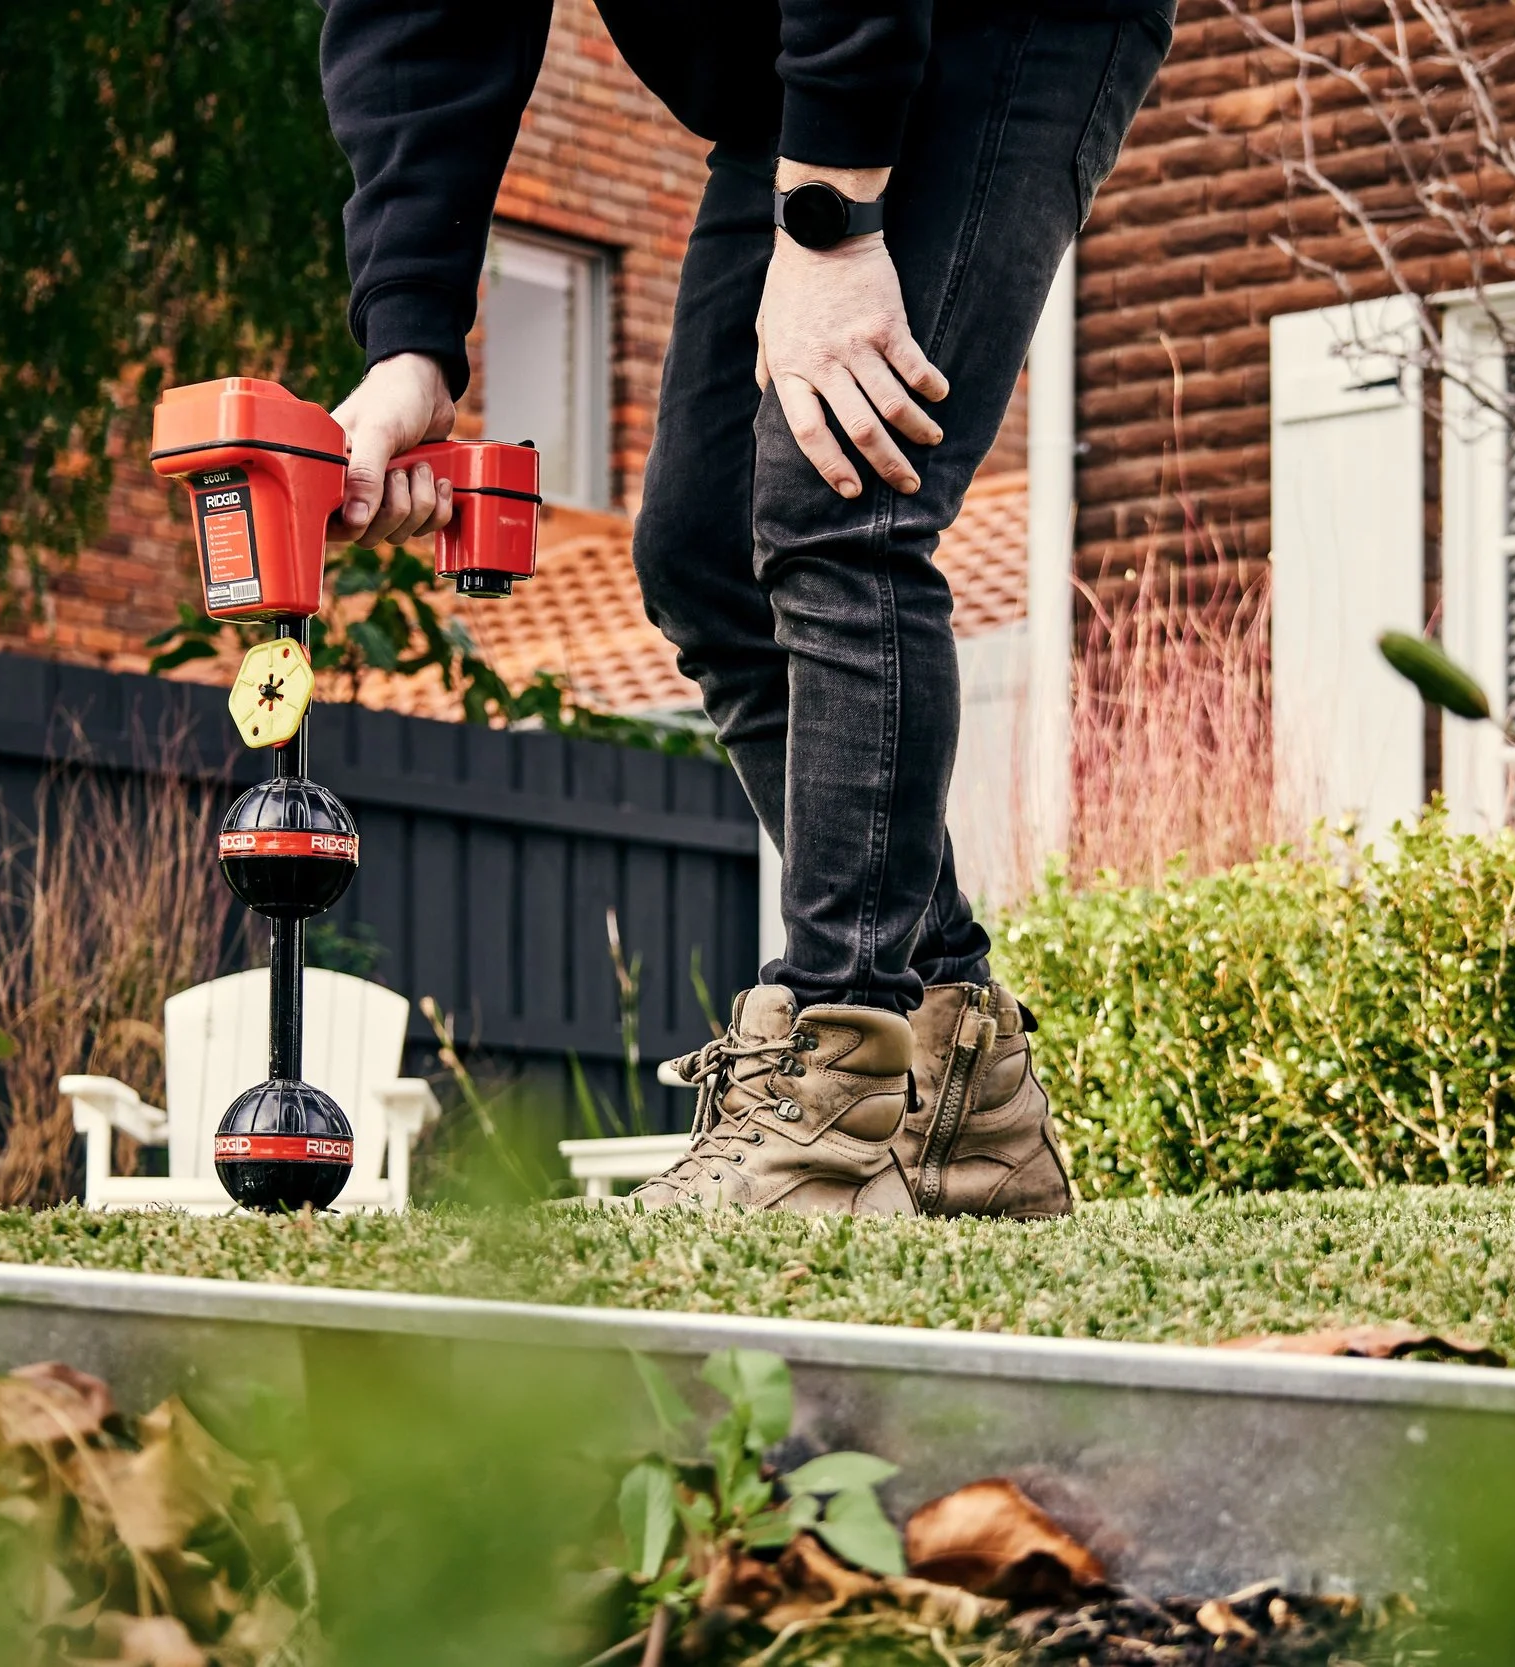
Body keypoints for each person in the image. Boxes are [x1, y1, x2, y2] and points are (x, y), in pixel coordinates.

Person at [319, 0, 1171, 1217]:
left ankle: (834, 1079)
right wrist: (410, 341)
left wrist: (832, 219)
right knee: (705, 555)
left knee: (842, 497)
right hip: (790, 83)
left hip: (991, 24)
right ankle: (963, 1093)